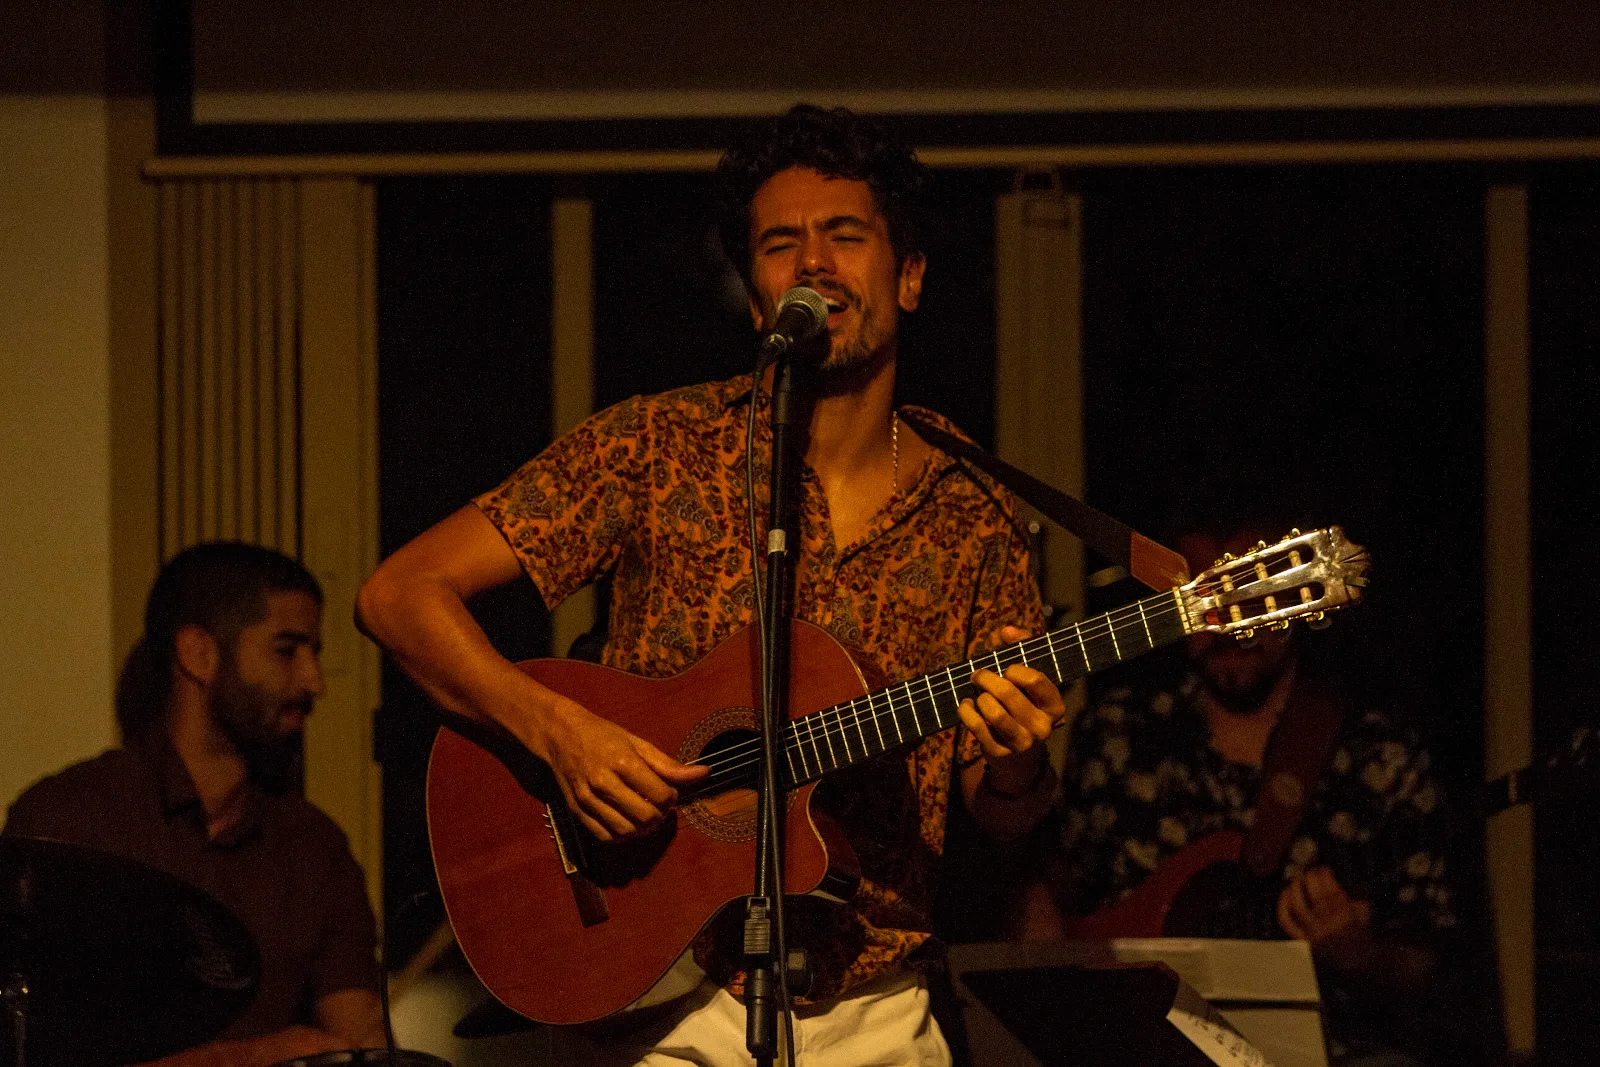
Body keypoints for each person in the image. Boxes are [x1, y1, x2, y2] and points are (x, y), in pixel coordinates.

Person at [355, 104, 1066, 1065]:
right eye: (780, 244)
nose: (813, 262)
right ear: (759, 298)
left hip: (878, 1010)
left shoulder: (974, 504)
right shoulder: (656, 446)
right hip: (664, 997)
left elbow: (1002, 811)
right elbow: (400, 595)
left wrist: (1017, 759)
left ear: (908, 276)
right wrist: (558, 733)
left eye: (845, 235)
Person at [1027, 521, 1457, 1066]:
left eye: (1246, 596)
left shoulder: (1379, 755)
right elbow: (1055, 894)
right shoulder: (1119, 731)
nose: (1225, 625)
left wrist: (1357, 953)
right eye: (1199, 598)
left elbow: (1431, 964)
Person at [4, 542, 386, 1066]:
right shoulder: (69, 820)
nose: (314, 682)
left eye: (313, 653)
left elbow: (361, 1041)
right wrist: (251, 1058)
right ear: (198, 654)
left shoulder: (315, 846)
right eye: (287, 650)